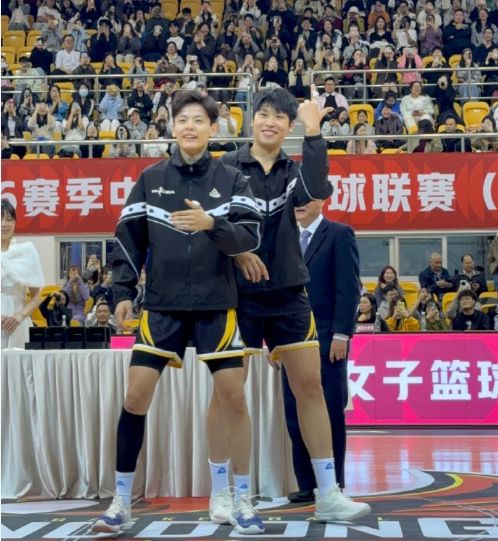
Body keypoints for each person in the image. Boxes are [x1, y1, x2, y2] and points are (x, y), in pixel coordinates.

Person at [91, 90, 263, 536]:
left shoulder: (231, 178)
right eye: (182, 119)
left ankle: (242, 498)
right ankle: (121, 501)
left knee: (233, 398)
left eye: (198, 120)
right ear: (172, 126)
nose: (190, 126)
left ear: (213, 128)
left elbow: (250, 236)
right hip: (161, 306)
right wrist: (123, 291)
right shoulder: (150, 179)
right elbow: (128, 240)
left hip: (216, 304)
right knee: (135, 397)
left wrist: (212, 224)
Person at [216, 86, 371, 525]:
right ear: (251, 120)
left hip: (289, 295)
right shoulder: (226, 168)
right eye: (264, 114)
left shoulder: (293, 172)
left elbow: (317, 188)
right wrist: (237, 252)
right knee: (228, 394)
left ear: (288, 127)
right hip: (239, 295)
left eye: (280, 118)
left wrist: (314, 131)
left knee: (311, 389)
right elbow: (212, 226)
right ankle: (228, 494)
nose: (270, 122)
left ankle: (329, 493)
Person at [281, 198, 361, 502]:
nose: (300, 204)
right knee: (294, 412)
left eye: (306, 198)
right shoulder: (285, 237)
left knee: (328, 413)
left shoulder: (339, 234)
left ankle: (333, 483)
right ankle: (306, 483)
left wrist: (342, 333)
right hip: (290, 340)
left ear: (321, 201)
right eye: (296, 199)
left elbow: (348, 288)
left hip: (327, 341)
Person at [1, 200, 45, 349]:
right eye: (0, 219)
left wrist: (20, 315)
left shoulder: (26, 252)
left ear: (15, 222)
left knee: (18, 361)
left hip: (19, 321)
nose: (4, 224)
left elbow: (36, 296)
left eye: (9, 219)